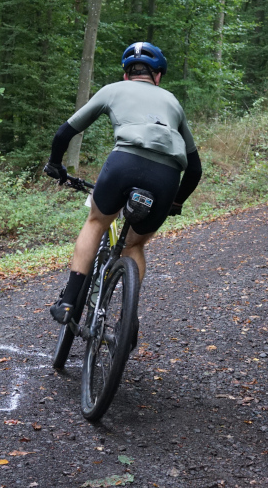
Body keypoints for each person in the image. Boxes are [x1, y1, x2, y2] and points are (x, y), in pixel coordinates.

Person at [43, 42, 202, 324]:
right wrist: (176, 202)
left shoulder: (113, 89)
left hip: (123, 163)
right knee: (134, 245)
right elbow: (195, 169)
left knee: (96, 222)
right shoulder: (172, 102)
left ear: (127, 75)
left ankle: (68, 303)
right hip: (167, 176)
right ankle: (129, 319)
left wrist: (55, 164)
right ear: (158, 76)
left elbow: (64, 133)